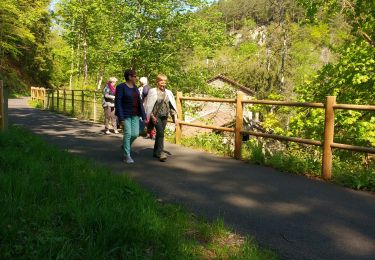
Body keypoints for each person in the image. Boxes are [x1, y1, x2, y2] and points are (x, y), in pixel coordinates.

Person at [144, 74, 178, 162]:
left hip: (165, 116)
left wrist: (175, 117)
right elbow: (149, 106)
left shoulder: (168, 92)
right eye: (161, 82)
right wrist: (152, 117)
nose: (163, 85)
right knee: (161, 133)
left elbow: (171, 106)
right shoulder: (152, 91)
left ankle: (155, 152)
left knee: (160, 133)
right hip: (156, 116)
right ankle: (161, 153)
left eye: (165, 83)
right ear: (157, 82)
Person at [115, 69, 146, 163]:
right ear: (129, 77)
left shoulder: (135, 87)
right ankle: (126, 155)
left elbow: (139, 101)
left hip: (135, 114)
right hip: (125, 114)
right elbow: (118, 102)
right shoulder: (121, 87)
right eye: (135, 76)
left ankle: (125, 145)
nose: (136, 78)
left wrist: (143, 115)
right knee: (128, 133)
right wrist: (121, 118)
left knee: (135, 134)